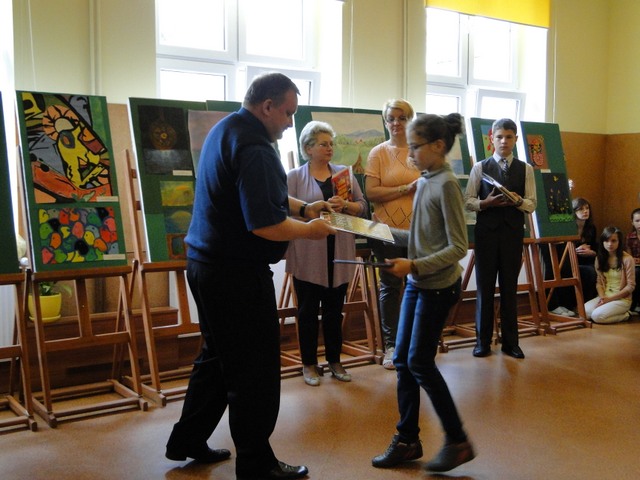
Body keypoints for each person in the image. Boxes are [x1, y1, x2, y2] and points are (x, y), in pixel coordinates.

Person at [165, 73, 336, 480]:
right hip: (235, 275)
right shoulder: (256, 146)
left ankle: (187, 439)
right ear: (267, 106)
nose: (291, 123)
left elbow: (258, 192)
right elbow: (264, 224)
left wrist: (303, 208)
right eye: (289, 113)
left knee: (218, 358)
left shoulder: (227, 128)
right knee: (253, 369)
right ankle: (257, 464)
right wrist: (310, 230)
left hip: (206, 265)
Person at [372, 113, 475, 473]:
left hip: (438, 287)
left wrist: (413, 266)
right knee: (403, 360)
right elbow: (418, 238)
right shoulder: (426, 180)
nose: (410, 153)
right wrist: (376, 230)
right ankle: (407, 440)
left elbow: (458, 247)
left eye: (415, 147)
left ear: (438, 146)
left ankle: (458, 441)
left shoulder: (446, 184)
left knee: (418, 362)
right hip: (419, 284)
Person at [286, 121, 367, 386]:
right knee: (307, 312)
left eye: (331, 144)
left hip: (339, 250)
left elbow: (362, 206)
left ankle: (335, 361)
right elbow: (285, 212)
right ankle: (309, 364)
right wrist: (311, 209)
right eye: (323, 144)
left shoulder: (344, 174)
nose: (329, 148)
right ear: (308, 148)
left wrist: (346, 205)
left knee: (334, 312)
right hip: (307, 253)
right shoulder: (294, 177)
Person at [464, 118, 537, 359]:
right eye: (499, 137)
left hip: (512, 234)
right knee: (484, 288)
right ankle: (482, 342)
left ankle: (511, 343)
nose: (504, 141)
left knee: (509, 288)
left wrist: (518, 201)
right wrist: (486, 203)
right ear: (491, 139)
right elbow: (468, 200)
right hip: (486, 234)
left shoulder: (525, 169)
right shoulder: (480, 167)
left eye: (508, 137)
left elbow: (532, 204)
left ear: (515, 139)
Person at [364, 99, 421, 369]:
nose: (396, 123)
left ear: (410, 120)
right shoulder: (378, 152)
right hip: (384, 230)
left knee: (418, 285)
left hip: (418, 230)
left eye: (402, 118)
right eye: (391, 118)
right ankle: (392, 346)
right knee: (389, 286)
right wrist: (404, 189)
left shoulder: (420, 151)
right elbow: (371, 193)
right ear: (385, 121)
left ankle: (415, 344)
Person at [546, 197, 598, 317]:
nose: (585, 211)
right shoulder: (568, 228)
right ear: (573, 212)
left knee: (592, 270)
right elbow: (562, 249)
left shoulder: (591, 228)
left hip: (586, 260)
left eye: (587, 208)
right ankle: (572, 304)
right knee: (582, 271)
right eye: (580, 209)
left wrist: (592, 252)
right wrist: (576, 250)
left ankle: (585, 305)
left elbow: (595, 247)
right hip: (570, 260)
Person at [585, 226, 635, 323]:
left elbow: (630, 286)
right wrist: (603, 298)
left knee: (597, 316)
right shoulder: (599, 258)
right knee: (585, 312)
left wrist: (610, 299)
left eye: (613, 241)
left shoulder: (628, 259)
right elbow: (599, 282)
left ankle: (626, 315)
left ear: (619, 242)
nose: (610, 244)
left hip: (622, 299)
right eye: (606, 241)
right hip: (605, 296)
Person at [624, 207, 640, 313]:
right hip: (635, 266)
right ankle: (632, 305)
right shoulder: (630, 237)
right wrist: (632, 260)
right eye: (637, 221)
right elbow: (628, 255)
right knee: (635, 273)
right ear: (632, 222)